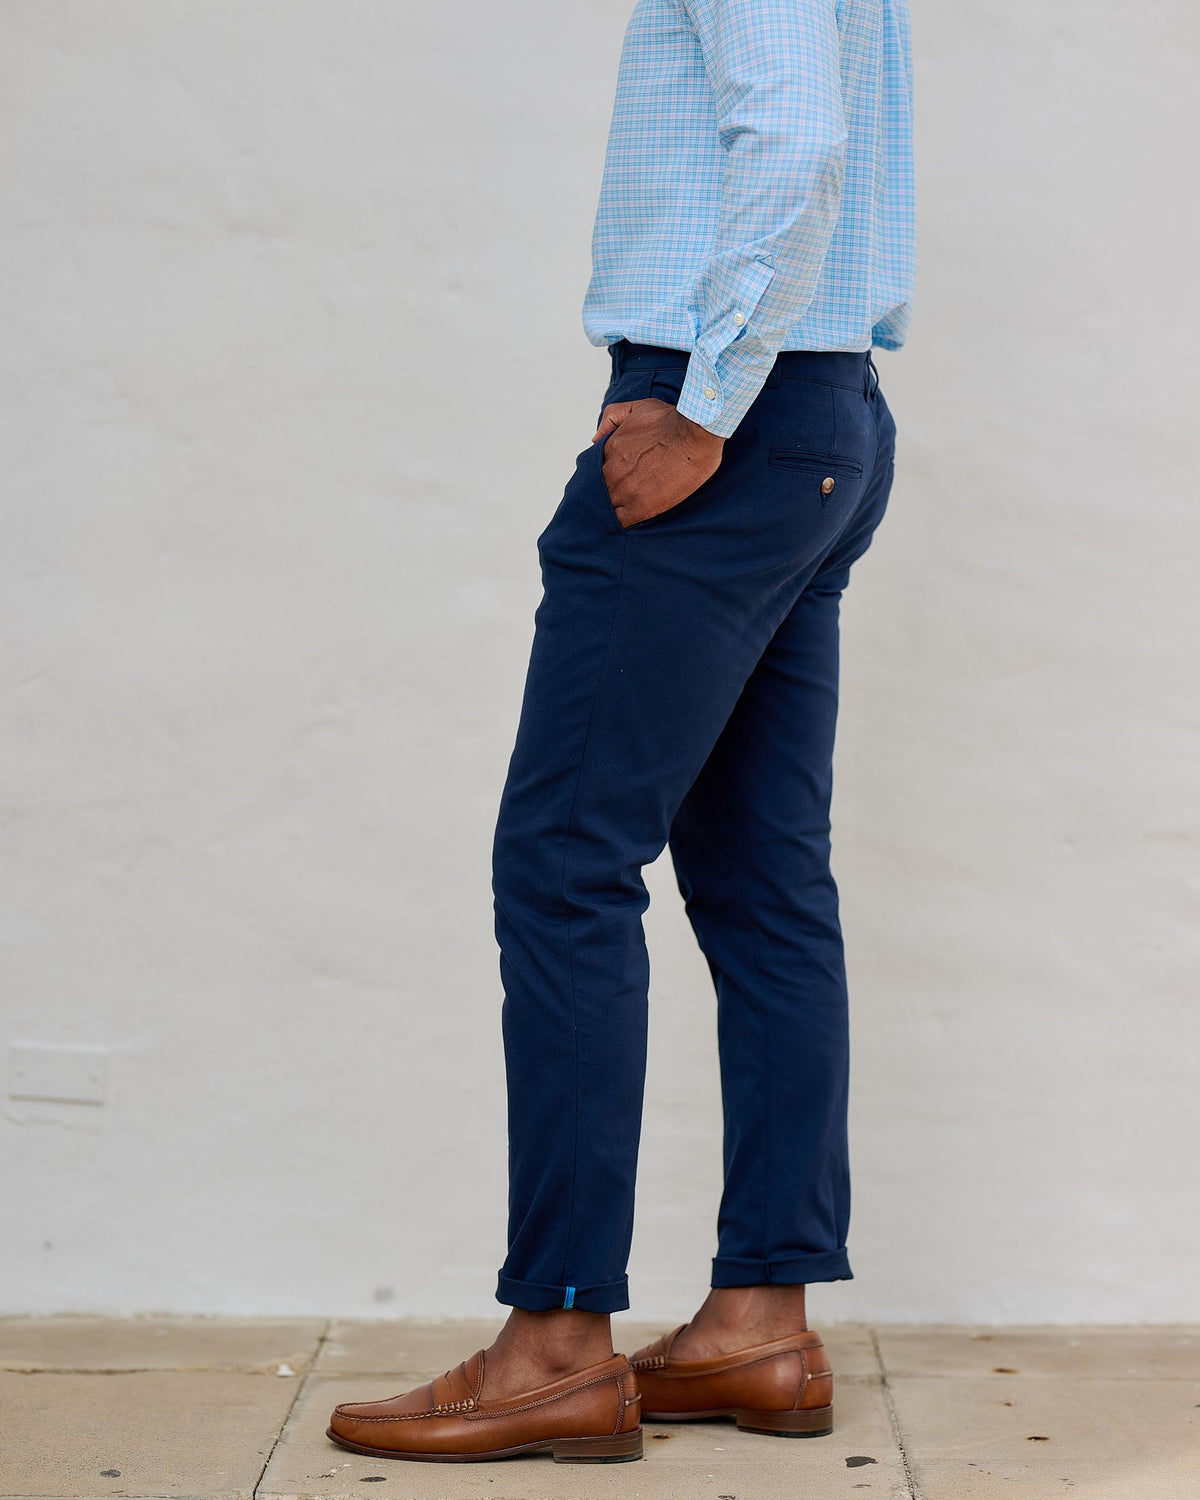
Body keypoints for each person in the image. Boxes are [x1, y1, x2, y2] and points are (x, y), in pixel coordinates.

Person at [327, 0, 914, 1465]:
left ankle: (555, 1344)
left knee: (567, 865)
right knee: (766, 882)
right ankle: (759, 1326)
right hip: (825, 412)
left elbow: (797, 140)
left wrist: (699, 404)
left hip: (735, 417)